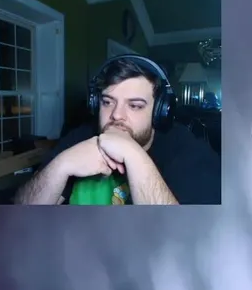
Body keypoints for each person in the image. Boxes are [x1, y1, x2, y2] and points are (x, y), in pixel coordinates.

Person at [15, 55, 221, 205]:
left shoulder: (187, 151)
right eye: (107, 102)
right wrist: (61, 165)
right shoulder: (82, 136)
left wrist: (133, 154)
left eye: (135, 105)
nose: (116, 115)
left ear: (160, 112)